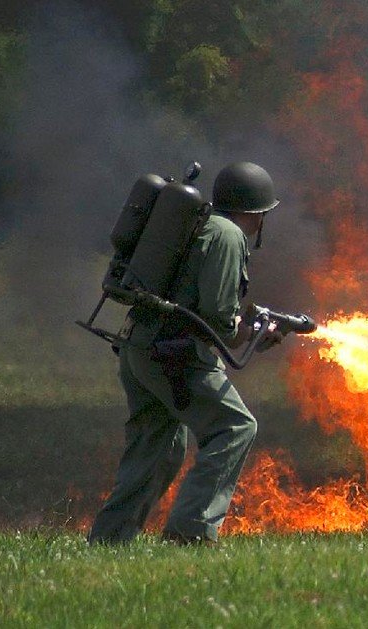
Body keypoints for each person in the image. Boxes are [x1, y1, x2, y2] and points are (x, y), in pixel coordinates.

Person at [88, 162, 283, 545]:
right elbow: (219, 320)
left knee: (157, 448)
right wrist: (252, 333)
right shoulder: (229, 236)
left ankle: (110, 539)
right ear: (256, 212)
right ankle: (190, 532)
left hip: (137, 346)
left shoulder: (198, 223)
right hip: (174, 355)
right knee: (234, 427)